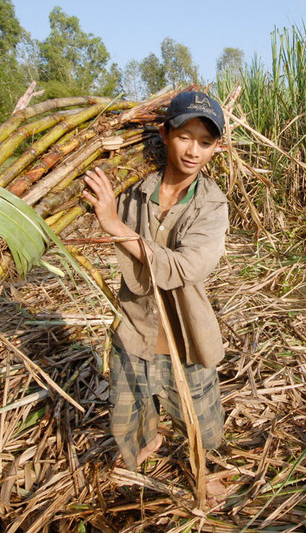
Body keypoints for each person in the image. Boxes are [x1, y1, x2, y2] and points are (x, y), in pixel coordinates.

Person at [82, 90, 228, 474]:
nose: (194, 151)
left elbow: (184, 269)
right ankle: (144, 449)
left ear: (215, 148)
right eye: (185, 137)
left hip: (186, 337)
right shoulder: (132, 188)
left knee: (201, 427)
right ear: (164, 134)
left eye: (205, 142)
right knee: (129, 417)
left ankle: (202, 473)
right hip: (134, 330)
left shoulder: (211, 205)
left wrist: (115, 226)